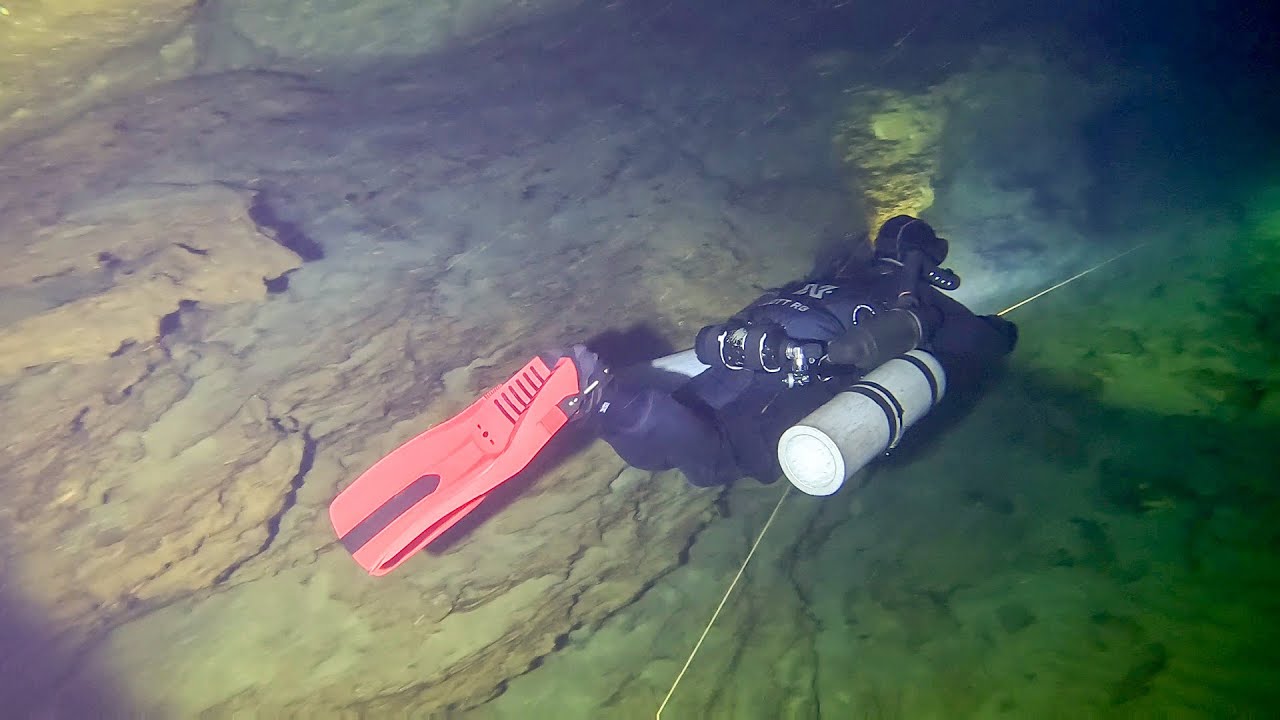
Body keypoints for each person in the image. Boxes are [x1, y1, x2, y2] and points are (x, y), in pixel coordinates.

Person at [569, 215, 1019, 488]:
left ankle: (607, 400)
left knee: (685, 428)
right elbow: (976, 345)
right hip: (802, 369)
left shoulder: (843, 268)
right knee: (718, 461)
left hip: (749, 344)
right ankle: (608, 403)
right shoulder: (920, 298)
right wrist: (999, 332)